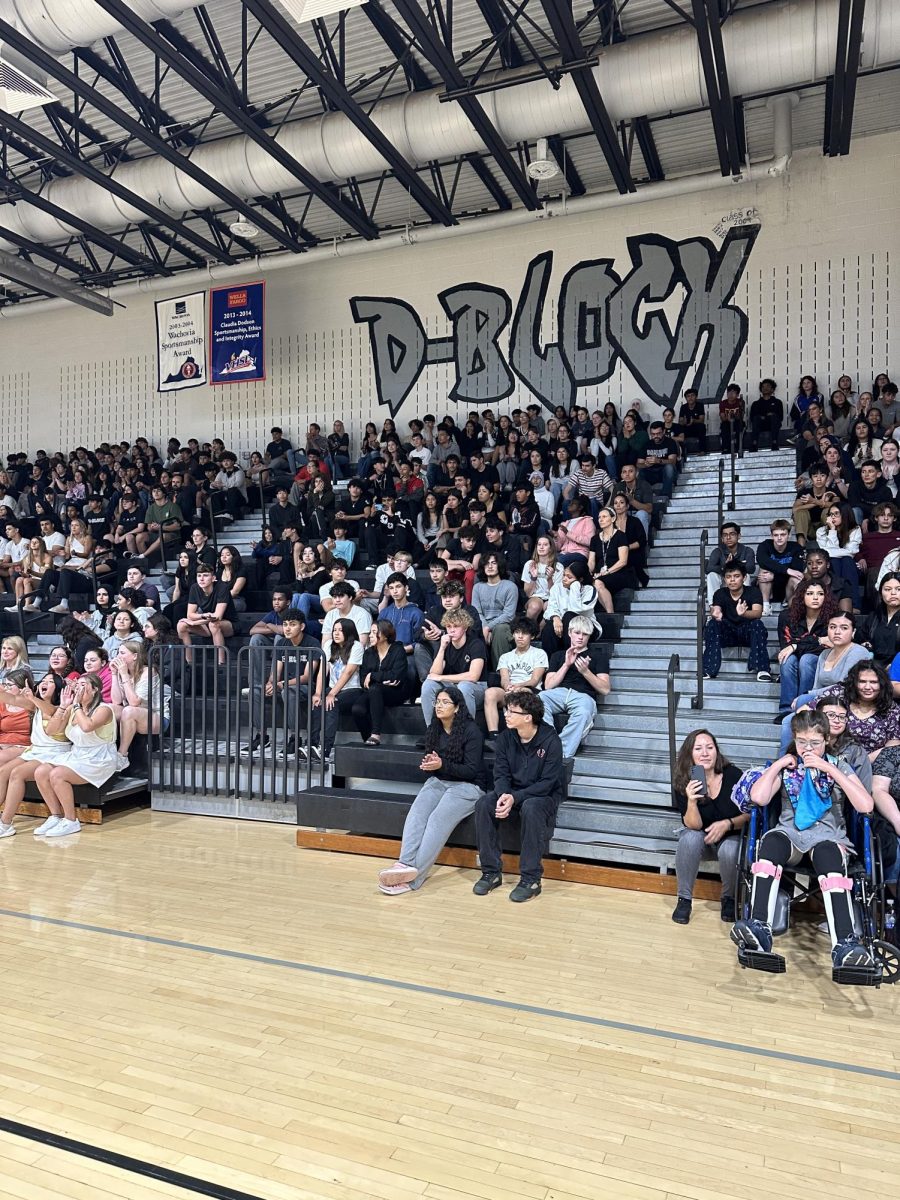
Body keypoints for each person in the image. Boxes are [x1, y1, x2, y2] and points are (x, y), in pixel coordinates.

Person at [731, 709, 876, 971]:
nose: (808, 748)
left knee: (828, 856)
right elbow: (759, 798)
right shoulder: (789, 767)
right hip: (791, 834)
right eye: (802, 742)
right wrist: (777, 765)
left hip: (827, 836)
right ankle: (760, 927)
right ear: (795, 739)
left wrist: (829, 769)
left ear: (827, 740)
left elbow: (866, 805)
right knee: (771, 843)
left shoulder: (838, 763)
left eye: (815, 743)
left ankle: (844, 944)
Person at [378, 684, 486, 895]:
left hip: (469, 786)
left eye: (445, 702)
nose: (439, 706)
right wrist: (430, 765)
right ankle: (404, 864)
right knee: (417, 813)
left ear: (457, 708)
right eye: (437, 701)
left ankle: (412, 879)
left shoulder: (472, 731)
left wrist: (441, 765)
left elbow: (472, 771)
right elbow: (436, 765)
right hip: (440, 780)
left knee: (437, 819)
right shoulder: (434, 729)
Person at [473, 688, 564, 902]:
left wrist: (516, 797)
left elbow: (547, 783)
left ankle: (531, 878)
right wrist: (504, 795)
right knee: (484, 803)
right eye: (506, 710)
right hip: (513, 791)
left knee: (531, 807)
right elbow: (501, 773)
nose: (506, 715)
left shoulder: (551, 741)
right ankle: (491, 872)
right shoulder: (506, 738)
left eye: (512, 711)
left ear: (527, 717)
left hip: (544, 795)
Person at [31, 674, 124, 838]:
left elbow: (87, 726)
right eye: (77, 685)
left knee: (57, 774)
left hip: (99, 758)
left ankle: (71, 820)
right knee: (41, 771)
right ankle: (56, 816)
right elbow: (51, 731)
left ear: (95, 690)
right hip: (78, 754)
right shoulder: (73, 707)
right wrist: (63, 706)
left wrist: (75, 706)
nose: (78, 688)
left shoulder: (104, 709)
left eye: (84, 685)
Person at [671, 729, 746, 925]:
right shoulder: (684, 781)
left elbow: (749, 814)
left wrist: (728, 824)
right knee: (688, 837)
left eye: (709, 748)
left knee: (730, 849)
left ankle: (729, 898)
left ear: (716, 751)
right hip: (702, 839)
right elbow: (692, 825)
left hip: (731, 835)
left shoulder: (733, 775)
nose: (705, 753)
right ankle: (684, 900)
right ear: (690, 755)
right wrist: (692, 801)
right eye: (698, 749)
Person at [777, 612, 871, 753]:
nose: (837, 632)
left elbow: (844, 686)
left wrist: (807, 696)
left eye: (844, 628)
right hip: (823, 704)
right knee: (788, 721)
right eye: (832, 627)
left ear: (853, 632)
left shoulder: (858, 652)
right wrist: (810, 697)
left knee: (802, 700)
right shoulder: (824, 654)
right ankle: (787, 762)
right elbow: (816, 687)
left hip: (845, 703)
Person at [0, 673, 67, 837]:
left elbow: (51, 711)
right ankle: (5, 821)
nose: (45, 682)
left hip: (55, 753)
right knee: (3, 772)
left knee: (17, 773)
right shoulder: (34, 705)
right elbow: (11, 699)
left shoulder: (63, 707)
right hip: (37, 751)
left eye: (50, 682)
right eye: (43, 680)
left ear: (58, 688)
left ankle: (5, 823)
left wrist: (33, 699)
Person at [540, 615, 610, 758]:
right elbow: (548, 685)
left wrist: (585, 672)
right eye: (577, 633)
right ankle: (550, 742)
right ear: (570, 633)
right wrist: (566, 664)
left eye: (585, 634)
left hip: (583, 696)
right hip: (560, 692)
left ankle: (561, 753)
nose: (580, 637)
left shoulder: (598, 656)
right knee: (538, 699)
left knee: (584, 712)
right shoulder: (558, 655)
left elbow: (605, 689)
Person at [703, 563, 772, 682]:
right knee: (712, 625)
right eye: (729, 577)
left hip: (747, 633)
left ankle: (762, 669)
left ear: (744, 578)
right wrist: (716, 614)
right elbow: (717, 609)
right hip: (728, 633)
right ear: (724, 579)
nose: (732, 580)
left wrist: (743, 614)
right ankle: (709, 669)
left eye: (736, 576)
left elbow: (758, 613)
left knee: (757, 624)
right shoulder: (720, 593)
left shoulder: (753, 592)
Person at [775, 580, 836, 716]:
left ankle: (803, 707)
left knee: (807, 659)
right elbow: (786, 646)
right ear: (802, 596)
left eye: (820, 594)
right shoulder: (786, 616)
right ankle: (786, 710)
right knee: (788, 659)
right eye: (810, 593)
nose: (815, 597)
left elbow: (828, 646)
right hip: (795, 658)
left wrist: (797, 645)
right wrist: (816, 642)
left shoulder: (832, 618)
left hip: (822, 659)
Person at [420, 610, 486, 729]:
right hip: (453, 686)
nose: (452, 630)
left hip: (477, 687)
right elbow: (434, 673)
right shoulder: (445, 644)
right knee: (428, 684)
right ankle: (432, 730)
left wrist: (442, 678)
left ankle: (466, 732)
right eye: (449, 626)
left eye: (456, 626)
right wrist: (442, 648)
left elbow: (473, 676)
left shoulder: (476, 644)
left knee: (464, 686)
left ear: (465, 627)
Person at [309, 618, 363, 762]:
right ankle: (312, 745)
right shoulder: (328, 645)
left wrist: (331, 694)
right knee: (316, 702)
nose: (336, 633)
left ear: (349, 632)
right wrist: (318, 693)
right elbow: (322, 670)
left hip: (353, 689)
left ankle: (325, 749)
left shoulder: (356, 646)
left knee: (332, 703)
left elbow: (348, 672)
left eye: (340, 630)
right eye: (334, 630)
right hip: (333, 688)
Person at [484, 617, 548, 737]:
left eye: (524, 633)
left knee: (520, 692)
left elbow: (534, 681)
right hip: (509, 690)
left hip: (530, 691)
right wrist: (508, 687)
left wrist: (517, 686)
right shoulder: (505, 657)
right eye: (517, 632)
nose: (520, 636)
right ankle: (494, 735)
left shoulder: (539, 654)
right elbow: (504, 679)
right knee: (490, 693)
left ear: (532, 636)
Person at [350, 619, 409, 748]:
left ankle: (376, 734)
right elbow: (363, 680)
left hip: (395, 692)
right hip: (372, 691)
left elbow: (396, 677)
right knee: (357, 709)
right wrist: (381, 679)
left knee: (376, 689)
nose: (370, 635)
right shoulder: (368, 653)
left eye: (374, 632)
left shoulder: (398, 650)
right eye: (370, 632)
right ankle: (369, 740)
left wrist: (373, 676)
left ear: (385, 634)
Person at [110, 639, 170, 760]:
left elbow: (134, 702)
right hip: (134, 714)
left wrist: (124, 675)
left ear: (135, 656)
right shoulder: (124, 672)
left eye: (122, 653)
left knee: (129, 710)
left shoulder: (149, 672)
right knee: (109, 708)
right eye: (118, 653)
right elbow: (116, 701)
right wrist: (114, 674)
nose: (118, 657)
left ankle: (121, 755)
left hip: (157, 717)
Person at [176, 564, 235, 666]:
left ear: (213, 578)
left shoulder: (222, 588)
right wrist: (203, 616)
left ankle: (221, 662)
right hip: (207, 623)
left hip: (228, 623)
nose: (201, 579)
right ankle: (188, 662)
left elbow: (217, 616)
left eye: (205, 575)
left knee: (214, 624)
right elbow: (190, 615)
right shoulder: (195, 588)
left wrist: (195, 623)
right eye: (199, 576)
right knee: (181, 625)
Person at [471, 550, 518, 668]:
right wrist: (484, 627)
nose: (490, 566)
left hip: (504, 625)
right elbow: (477, 612)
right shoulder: (477, 587)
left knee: (501, 630)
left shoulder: (510, 586)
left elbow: (508, 615)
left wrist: (488, 627)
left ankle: (502, 672)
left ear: (500, 566)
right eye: (487, 563)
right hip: (482, 624)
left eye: (493, 563)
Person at [756, 519, 805, 614]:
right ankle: (766, 606)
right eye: (776, 535)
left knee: (796, 577)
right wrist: (787, 570)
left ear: (789, 535)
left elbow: (797, 569)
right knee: (764, 571)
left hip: (787, 588)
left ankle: (793, 605)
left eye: (783, 535)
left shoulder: (796, 547)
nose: (779, 538)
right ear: (771, 536)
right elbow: (762, 561)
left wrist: (775, 575)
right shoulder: (765, 545)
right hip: (769, 588)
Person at [705, 522, 756, 605]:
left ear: (739, 536)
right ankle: (714, 606)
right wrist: (725, 567)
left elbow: (751, 568)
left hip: (739, 581)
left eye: (732, 534)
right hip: (724, 581)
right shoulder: (718, 551)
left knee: (746, 576)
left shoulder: (747, 551)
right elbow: (709, 568)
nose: (728, 537)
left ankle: (742, 605)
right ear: (722, 538)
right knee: (711, 575)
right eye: (725, 535)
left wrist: (733, 565)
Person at [521, 534, 563, 623]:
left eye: (545, 544)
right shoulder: (530, 564)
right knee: (535, 606)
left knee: (549, 607)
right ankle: (526, 630)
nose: (541, 547)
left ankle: (540, 633)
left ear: (551, 548)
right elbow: (528, 593)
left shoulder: (558, 567)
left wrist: (549, 579)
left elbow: (556, 594)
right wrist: (533, 578)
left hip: (551, 598)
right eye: (539, 544)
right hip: (535, 596)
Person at [636, 421, 678, 498]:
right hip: (651, 472)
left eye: (658, 433)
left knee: (669, 467)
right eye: (653, 434)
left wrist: (658, 460)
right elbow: (638, 464)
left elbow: (673, 461)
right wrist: (645, 464)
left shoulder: (670, 442)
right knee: (640, 471)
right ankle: (644, 497)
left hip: (664, 472)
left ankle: (665, 496)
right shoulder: (646, 444)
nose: (655, 436)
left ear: (664, 431)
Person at [746, 379, 784, 451]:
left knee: (774, 417)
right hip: (760, 425)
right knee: (757, 418)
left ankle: (774, 443)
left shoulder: (778, 402)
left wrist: (769, 416)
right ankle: (754, 444)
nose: (765, 388)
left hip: (773, 425)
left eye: (768, 386)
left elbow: (780, 417)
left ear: (772, 389)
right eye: (763, 387)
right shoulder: (756, 404)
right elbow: (752, 418)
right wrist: (765, 416)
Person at [718, 384, 745, 454]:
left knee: (740, 426)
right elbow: (722, 417)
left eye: (733, 392)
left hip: (737, 421)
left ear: (737, 394)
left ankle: (739, 448)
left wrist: (734, 417)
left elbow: (741, 416)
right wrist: (728, 418)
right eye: (729, 392)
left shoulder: (741, 402)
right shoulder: (723, 403)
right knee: (724, 426)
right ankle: (725, 448)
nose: (731, 395)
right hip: (727, 422)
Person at [678, 389, 707, 454]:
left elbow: (702, 420)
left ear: (696, 397)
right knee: (679, 429)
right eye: (688, 396)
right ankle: (681, 453)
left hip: (696, 428)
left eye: (692, 396)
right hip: (686, 428)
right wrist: (684, 422)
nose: (690, 398)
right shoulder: (683, 407)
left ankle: (702, 451)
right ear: (686, 398)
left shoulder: (700, 405)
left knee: (702, 427)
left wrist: (694, 421)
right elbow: (680, 421)